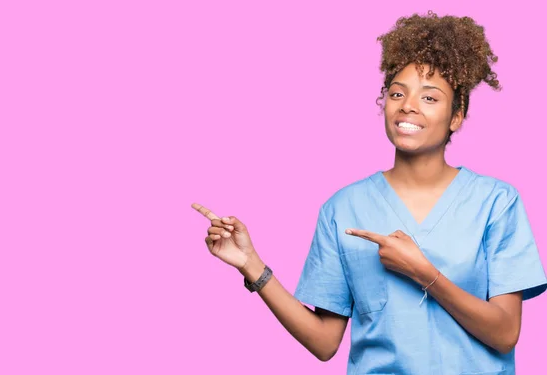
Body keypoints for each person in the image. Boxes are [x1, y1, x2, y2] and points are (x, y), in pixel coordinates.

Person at [191, 10, 547, 375]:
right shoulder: (343, 208)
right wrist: (252, 265)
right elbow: (325, 342)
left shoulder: (497, 203)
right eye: (397, 93)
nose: (408, 105)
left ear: (456, 116)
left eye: (430, 98)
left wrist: (424, 273)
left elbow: (506, 333)